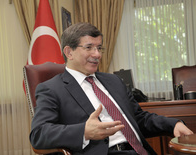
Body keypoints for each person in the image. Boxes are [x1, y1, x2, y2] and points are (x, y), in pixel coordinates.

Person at [30, 22, 193, 155]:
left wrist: (173, 124)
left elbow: (138, 118)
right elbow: (39, 134)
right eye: (89, 47)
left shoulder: (113, 80)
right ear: (69, 52)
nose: (97, 54)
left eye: (99, 48)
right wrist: (84, 132)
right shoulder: (51, 89)